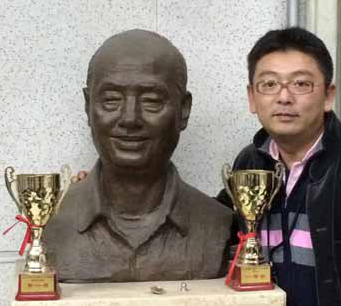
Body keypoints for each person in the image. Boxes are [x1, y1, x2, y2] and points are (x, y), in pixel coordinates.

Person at [218, 26, 341, 306]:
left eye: (301, 84)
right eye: (269, 84)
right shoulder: (249, 163)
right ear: (252, 98)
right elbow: (214, 221)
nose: (284, 97)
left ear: (328, 95)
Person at [43, 29, 233, 283]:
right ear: (88, 107)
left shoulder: (217, 224)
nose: (130, 118)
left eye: (152, 100)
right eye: (111, 99)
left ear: (183, 110)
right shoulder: (50, 220)